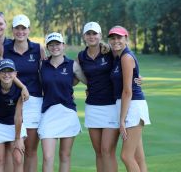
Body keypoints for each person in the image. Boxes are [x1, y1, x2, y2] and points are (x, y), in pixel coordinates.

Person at [3, 14, 46, 172]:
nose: (20, 31)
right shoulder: (5, 49)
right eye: (17, 28)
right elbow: (4, 74)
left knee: (31, 150)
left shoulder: (37, 48)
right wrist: (22, 87)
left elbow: (46, 72)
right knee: (13, 149)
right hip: (11, 103)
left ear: (29, 30)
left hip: (34, 102)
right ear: (12, 30)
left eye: (23, 28)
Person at [38, 32, 87, 172]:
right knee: (47, 156)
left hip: (67, 113)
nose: (55, 47)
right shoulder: (42, 65)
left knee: (65, 156)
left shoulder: (73, 65)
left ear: (63, 45)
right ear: (47, 47)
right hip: (48, 113)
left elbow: (91, 82)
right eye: (51, 45)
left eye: (57, 44)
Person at [78, 22, 119, 172]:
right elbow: (74, 75)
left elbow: (125, 60)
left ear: (100, 36)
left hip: (111, 106)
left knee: (107, 150)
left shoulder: (109, 52)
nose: (91, 36)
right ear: (84, 36)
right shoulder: (81, 56)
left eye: (94, 33)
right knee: (99, 152)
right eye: (88, 34)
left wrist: (136, 75)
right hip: (92, 107)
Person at [108, 26, 151, 172]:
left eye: (119, 38)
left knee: (126, 156)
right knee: (138, 157)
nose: (116, 41)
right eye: (112, 38)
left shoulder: (126, 57)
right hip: (128, 106)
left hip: (132, 106)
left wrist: (121, 120)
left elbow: (127, 91)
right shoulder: (117, 57)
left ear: (126, 39)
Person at [0, 58, 27, 172]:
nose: (6, 74)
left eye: (10, 71)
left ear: (15, 74)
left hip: (15, 125)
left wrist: (18, 138)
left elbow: (18, 116)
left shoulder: (20, 90)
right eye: (3, 71)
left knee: (18, 159)